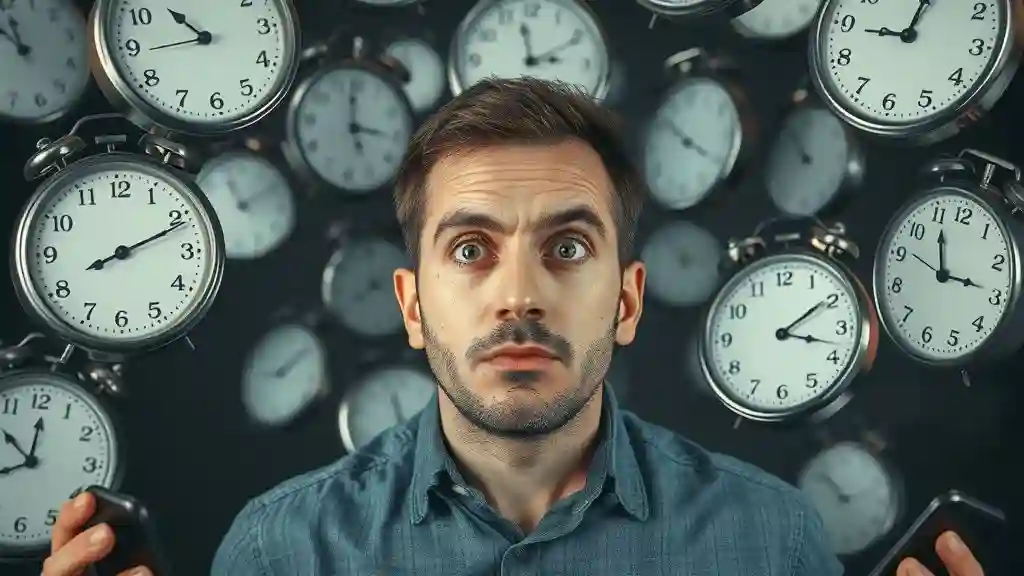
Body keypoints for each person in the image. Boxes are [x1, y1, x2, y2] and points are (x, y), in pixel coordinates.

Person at [42, 78, 986, 576]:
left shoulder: (770, 540)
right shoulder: (279, 552)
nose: (518, 295)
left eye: (569, 248)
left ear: (627, 300)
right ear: (412, 307)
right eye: (470, 250)